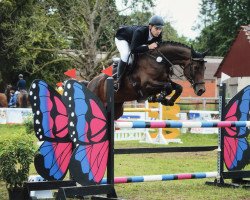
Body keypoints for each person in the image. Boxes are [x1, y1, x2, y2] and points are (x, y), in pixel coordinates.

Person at [114, 15, 164, 90]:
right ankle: (117, 81)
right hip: (122, 38)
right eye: (156, 28)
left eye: (160, 29)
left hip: (135, 42)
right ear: (150, 27)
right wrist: (148, 47)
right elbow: (133, 50)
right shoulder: (140, 32)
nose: (158, 31)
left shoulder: (159, 35)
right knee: (126, 54)